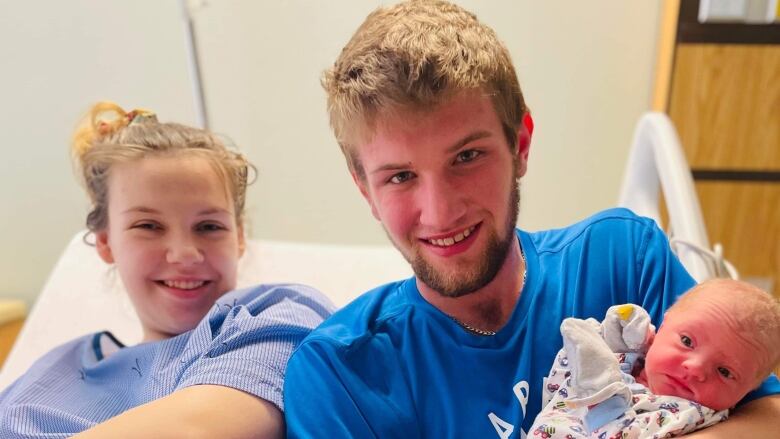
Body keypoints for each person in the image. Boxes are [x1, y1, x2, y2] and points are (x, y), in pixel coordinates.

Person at [282, 1, 780, 437]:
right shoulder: (340, 377)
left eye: (467, 157)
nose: (440, 211)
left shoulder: (620, 260)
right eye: (399, 177)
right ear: (364, 189)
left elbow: (768, 415)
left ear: (520, 144)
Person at [0, 102, 334, 438]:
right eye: (148, 225)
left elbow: (199, 430)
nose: (184, 254)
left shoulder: (275, 316)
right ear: (105, 243)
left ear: (240, 236)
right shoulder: (60, 367)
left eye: (208, 226)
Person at [530, 279, 780, 438]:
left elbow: (614, 431)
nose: (695, 369)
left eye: (724, 371)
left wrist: (603, 392)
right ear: (662, 324)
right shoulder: (631, 359)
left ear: (746, 392)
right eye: (687, 341)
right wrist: (618, 336)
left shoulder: (692, 417)